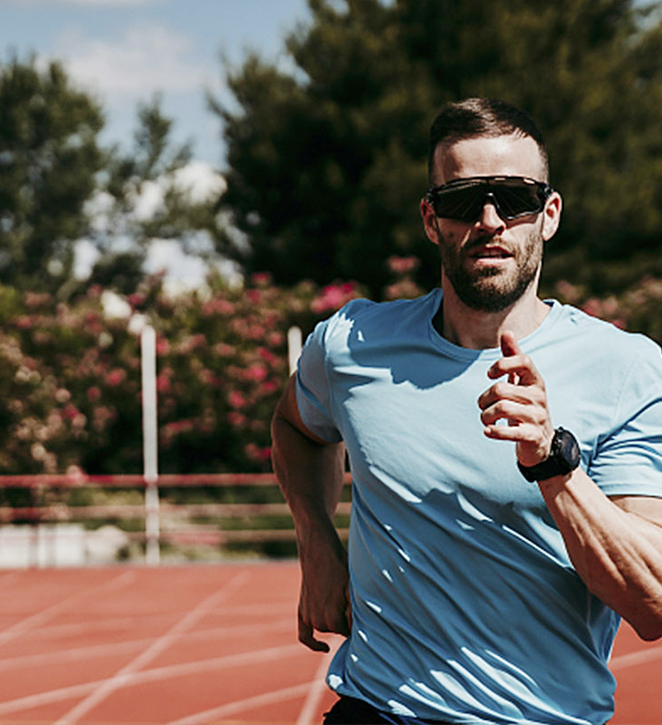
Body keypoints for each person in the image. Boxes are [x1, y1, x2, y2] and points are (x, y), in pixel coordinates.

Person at [271, 97, 662, 725]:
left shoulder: (628, 369)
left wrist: (553, 463)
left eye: (514, 198)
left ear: (549, 214)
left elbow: (653, 604)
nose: (489, 220)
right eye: (461, 200)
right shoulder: (351, 345)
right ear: (432, 220)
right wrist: (315, 540)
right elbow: (294, 426)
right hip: (377, 708)